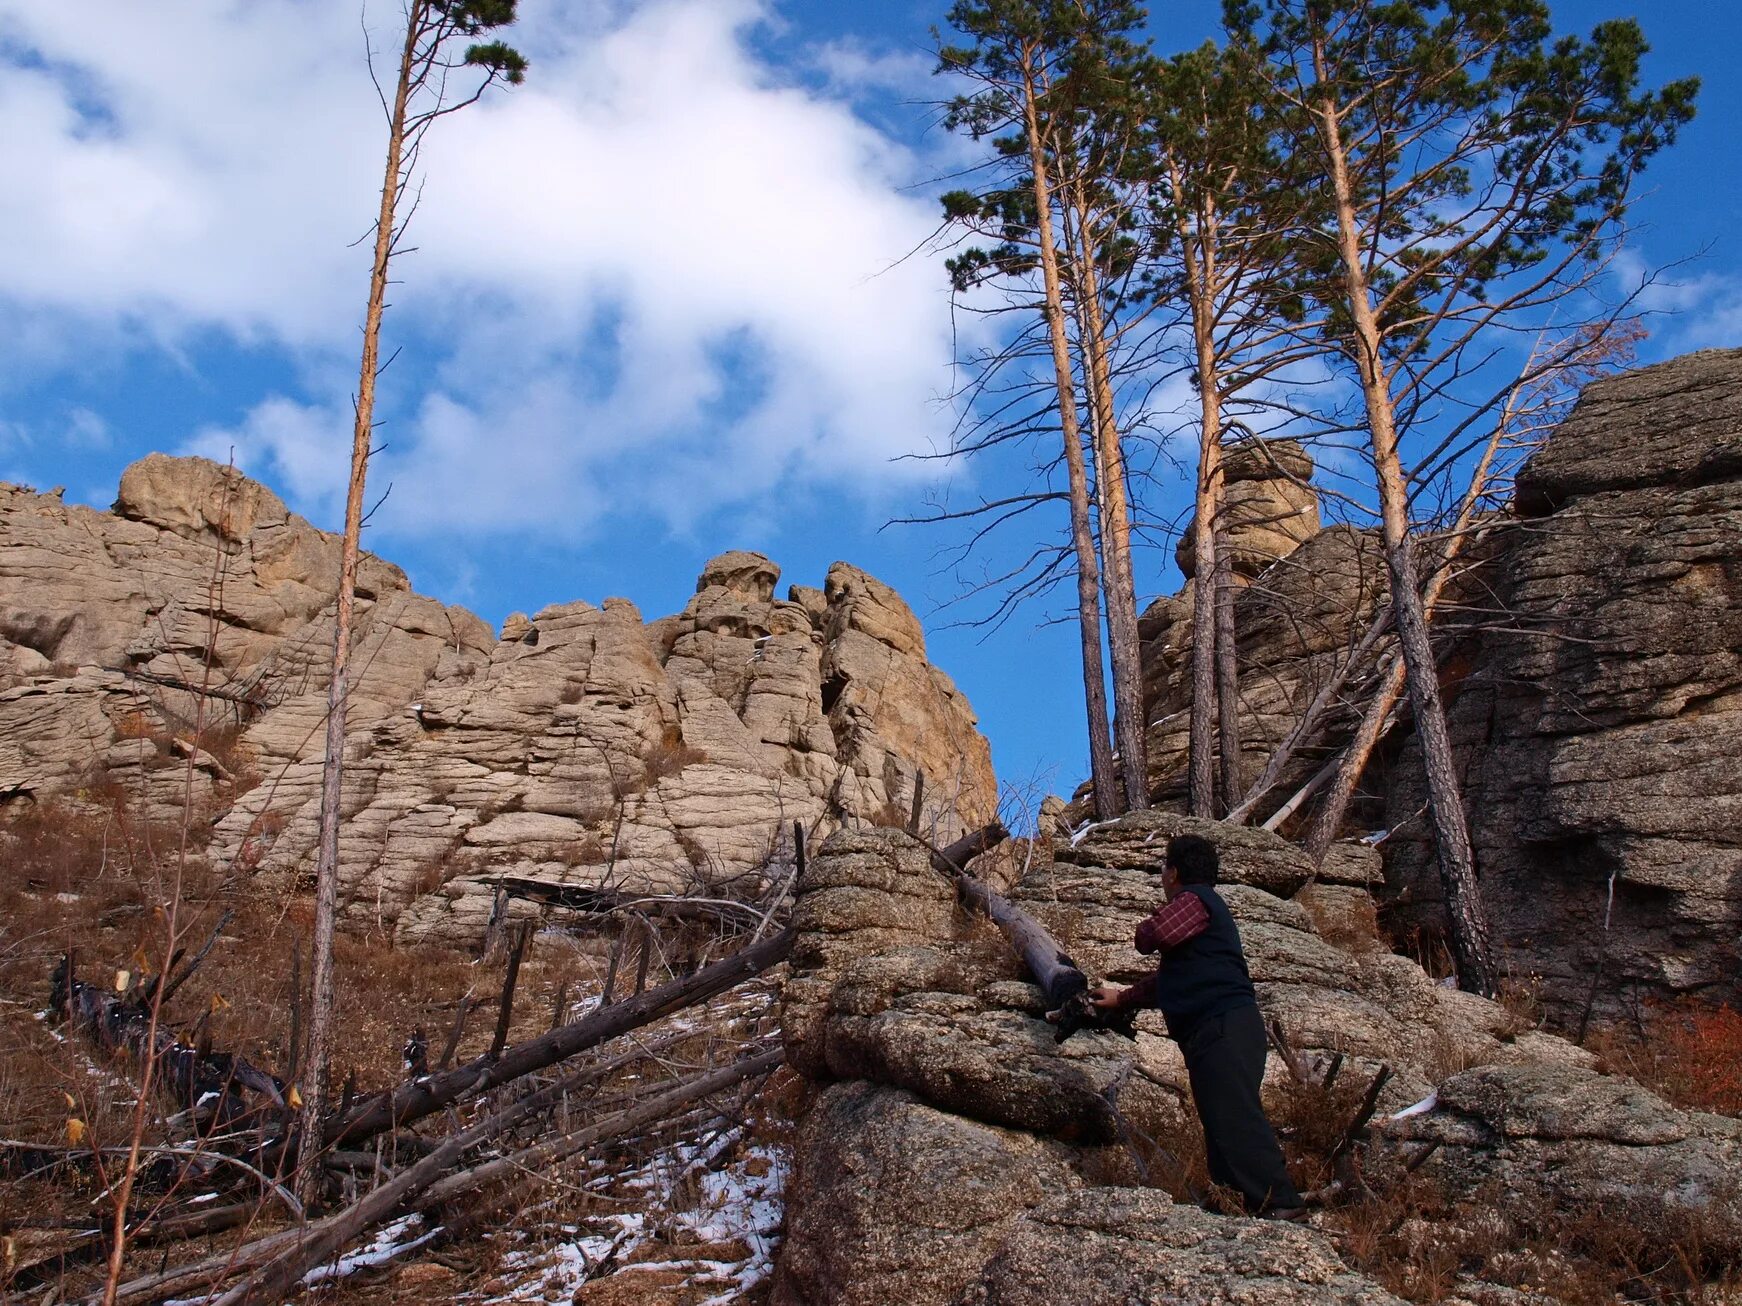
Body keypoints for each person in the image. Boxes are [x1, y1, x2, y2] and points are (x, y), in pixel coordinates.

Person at [1088, 833, 1304, 1218]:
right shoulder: (1203, 915)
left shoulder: (1195, 900)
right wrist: (1120, 998)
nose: (1161, 877)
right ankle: (1231, 1203)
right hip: (1224, 1029)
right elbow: (1168, 983)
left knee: (1235, 1116)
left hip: (1223, 1026)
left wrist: (1151, 921)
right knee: (1220, 1118)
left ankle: (1282, 1204)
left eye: (1163, 869)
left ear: (1173, 872)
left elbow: (1151, 936)